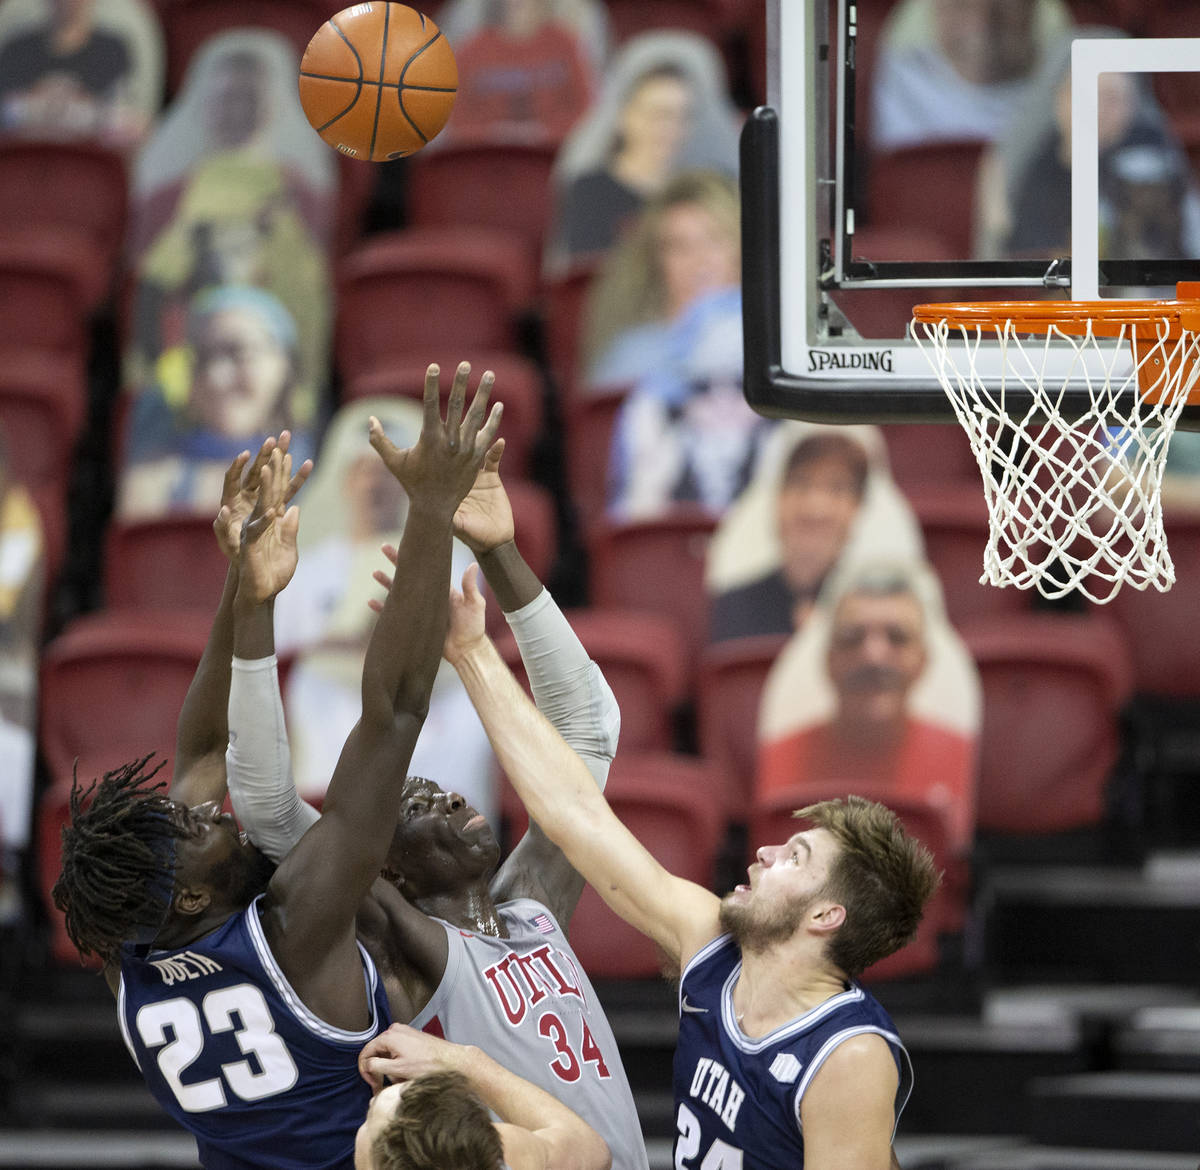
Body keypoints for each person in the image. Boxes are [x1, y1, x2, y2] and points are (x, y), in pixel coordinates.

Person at [52, 370, 502, 1169]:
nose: (208, 811)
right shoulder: (295, 932)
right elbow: (395, 710)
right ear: (190, 894)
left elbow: (198, 752)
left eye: (188, 812)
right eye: (194, 829)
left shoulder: (132, 965)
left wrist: (245, 580)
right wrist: (428, 513)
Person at [225, 399, 650, 1170]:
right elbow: (267, 810)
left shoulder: (532, 910)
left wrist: (500, 555)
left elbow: (589, 728)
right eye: (418, 807)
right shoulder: (410, 947)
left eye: (444, 792)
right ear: (384, 867)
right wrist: (254, 613)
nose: (452, 797)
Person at [442, 569, 942, 1170]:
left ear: (826, 914)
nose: (766, 853)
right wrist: (472, 653)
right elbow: (577, 818)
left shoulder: (847, 1056)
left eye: (796, 857)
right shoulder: (713, 944)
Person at [269, 397, 496, 821]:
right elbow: (285, 651)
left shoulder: (451, 560)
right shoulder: (307, 569)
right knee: (314, 702)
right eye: (364, 472)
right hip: (335, 692)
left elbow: (458, 635)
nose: (376, 485)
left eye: (388, 475)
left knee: (470, 721)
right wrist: (352, 640)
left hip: (431, 693)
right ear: (345, 481)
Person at [127, 29, 334, 423]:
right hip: (187, 369)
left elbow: (308, 298)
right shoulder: (169, 195)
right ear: (206, 105)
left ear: (271, 107)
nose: (237, 112)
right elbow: (153, 288)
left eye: (248, 100)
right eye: (226, 100)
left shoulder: (299, 194)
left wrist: (299, 383)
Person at [757, 562, 980, 859]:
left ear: (923, 660)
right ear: (829, 660)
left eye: (897, 637)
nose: (873, 656)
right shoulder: (785, 753)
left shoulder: (955, 752)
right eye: (853, 637)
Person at [972, 26, 1200, 262]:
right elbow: (998, 264)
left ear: (1133, 105)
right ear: (1057, 99)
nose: (1098, 111)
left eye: (1112, 99)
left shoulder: (1153, 167)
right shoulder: (1009, 165)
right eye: (1085, 95)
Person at [706, 423, 924, 643]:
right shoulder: (732, 606)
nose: (816, 509)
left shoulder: (890, 618)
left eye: (837, 488)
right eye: (801, 483)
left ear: (860, 506)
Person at [544, 31, 740, 276]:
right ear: (623, 116)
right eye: (658, 115)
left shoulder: (711, 191)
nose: (670, 129)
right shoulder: (589, 192)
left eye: (682, 117)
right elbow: (585, 281)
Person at [118, 285, 312, 520]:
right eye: (202, 358)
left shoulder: (326, 468)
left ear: (284, 363)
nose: (216, 378)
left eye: (239, 352)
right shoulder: (151, 483)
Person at [355, 1023, 611, 1170]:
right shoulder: (501, 1157)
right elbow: (591, 1149)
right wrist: (465, 1061)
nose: (370, 1101)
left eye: (370, 1115)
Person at [583, 169, 740, 390]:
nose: (699, 260)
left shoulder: (775, 351)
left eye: (714, 240)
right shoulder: (632, 356)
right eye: (679, 246)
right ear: (657, 260)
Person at [871, 0, 1071, 152]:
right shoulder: (877, 80)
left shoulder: (1078, 86)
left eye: (1005, 2)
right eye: (961, 2)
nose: (982, 23)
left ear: (1034, 7)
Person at [0, 0, 160, 147]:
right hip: (24, 159)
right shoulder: (18, 50)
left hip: (93, 163)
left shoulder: (112, 51)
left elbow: (134, 121)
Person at [448, 0, 596, 145]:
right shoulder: (469, 51)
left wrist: (544, 132)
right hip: (488, 157)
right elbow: (456, 120)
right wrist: (495, 134)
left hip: (554, 154)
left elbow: (587, 111)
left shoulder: (566, 44)